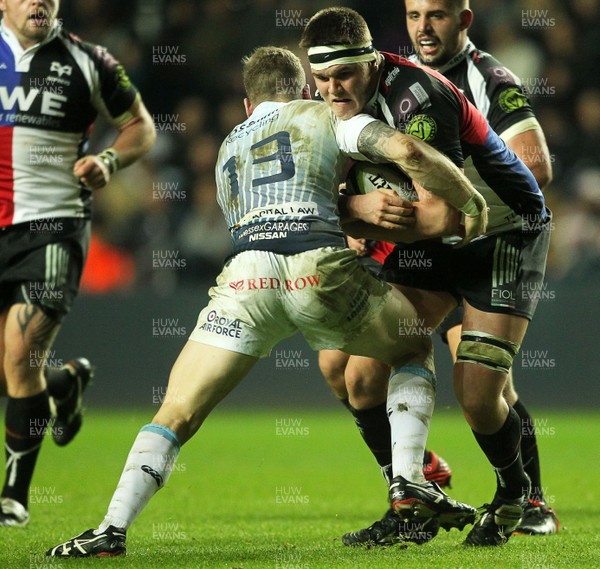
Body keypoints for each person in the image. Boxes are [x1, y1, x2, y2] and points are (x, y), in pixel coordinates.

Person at [45, 46, 485, 558]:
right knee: (409, 347)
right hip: (314, 270)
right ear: (303, 89)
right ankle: (409, 478)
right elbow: (407, 152)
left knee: (176, 411)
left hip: (246, 280)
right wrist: (467, 200)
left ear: (248, 103)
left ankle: (110, 529)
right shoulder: (326, 113)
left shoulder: (229, 144)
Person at [300, 6, 551, 547]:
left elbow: (447, 216)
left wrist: (358, 211)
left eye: (343, 75)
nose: (333, 90)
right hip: (429, 246)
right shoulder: (323, 108)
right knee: (359, 377)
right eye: (321, 79)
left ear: (370, 62)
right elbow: (323, 202)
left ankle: (515, 495)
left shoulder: (418, 97)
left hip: (500, 231)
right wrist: (355, 209)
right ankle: (410, 498)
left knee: (479, 394)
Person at [0, 0, 156, 527]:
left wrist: (109, 159)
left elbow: (140, 126)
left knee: (20, 355)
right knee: (11, 366)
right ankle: (63, 386)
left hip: (52, 227)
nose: (39, 1)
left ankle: (13, 497)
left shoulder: (89, 62)